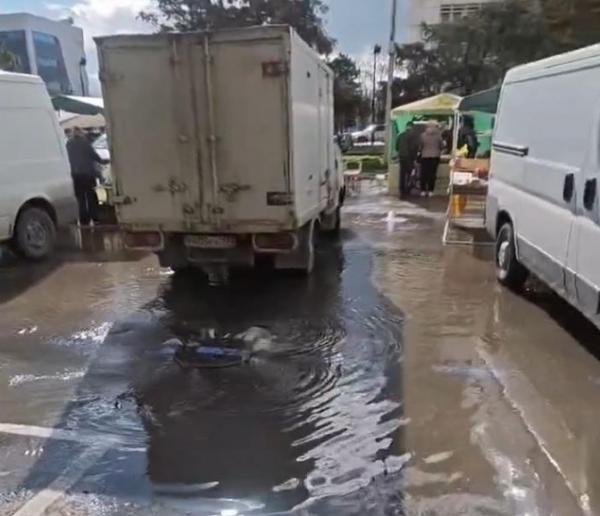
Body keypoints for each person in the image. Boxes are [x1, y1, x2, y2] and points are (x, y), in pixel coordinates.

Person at [66, 127, 109, 225]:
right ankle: (94, 217)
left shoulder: (68, 144)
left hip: (75, 175)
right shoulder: (85, 142)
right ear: (80, 133)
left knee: (80, 198)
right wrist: (103, 161)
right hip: (87, 174)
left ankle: (83, 219)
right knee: (91, 196)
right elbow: (93, 155)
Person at [419, 122, 444, 197]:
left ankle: (423, 190)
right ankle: (430, 191)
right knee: (432, 174)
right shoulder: (438, 136)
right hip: (435, 156)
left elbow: (420, 146)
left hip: (424, 156)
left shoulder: (422, 135)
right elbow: (442, 146)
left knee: (424, 173)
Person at [395, 122, 419, 198]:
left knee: (402, 174)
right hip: (410, 158)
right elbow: (415, 147)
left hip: (402, 157)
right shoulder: (414, 136)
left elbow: (396, 147)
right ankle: (408, 188)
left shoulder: (400, 135)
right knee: (411, 173)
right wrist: (415, 157)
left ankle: (402, 190)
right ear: (412, 127)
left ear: (406, 127)